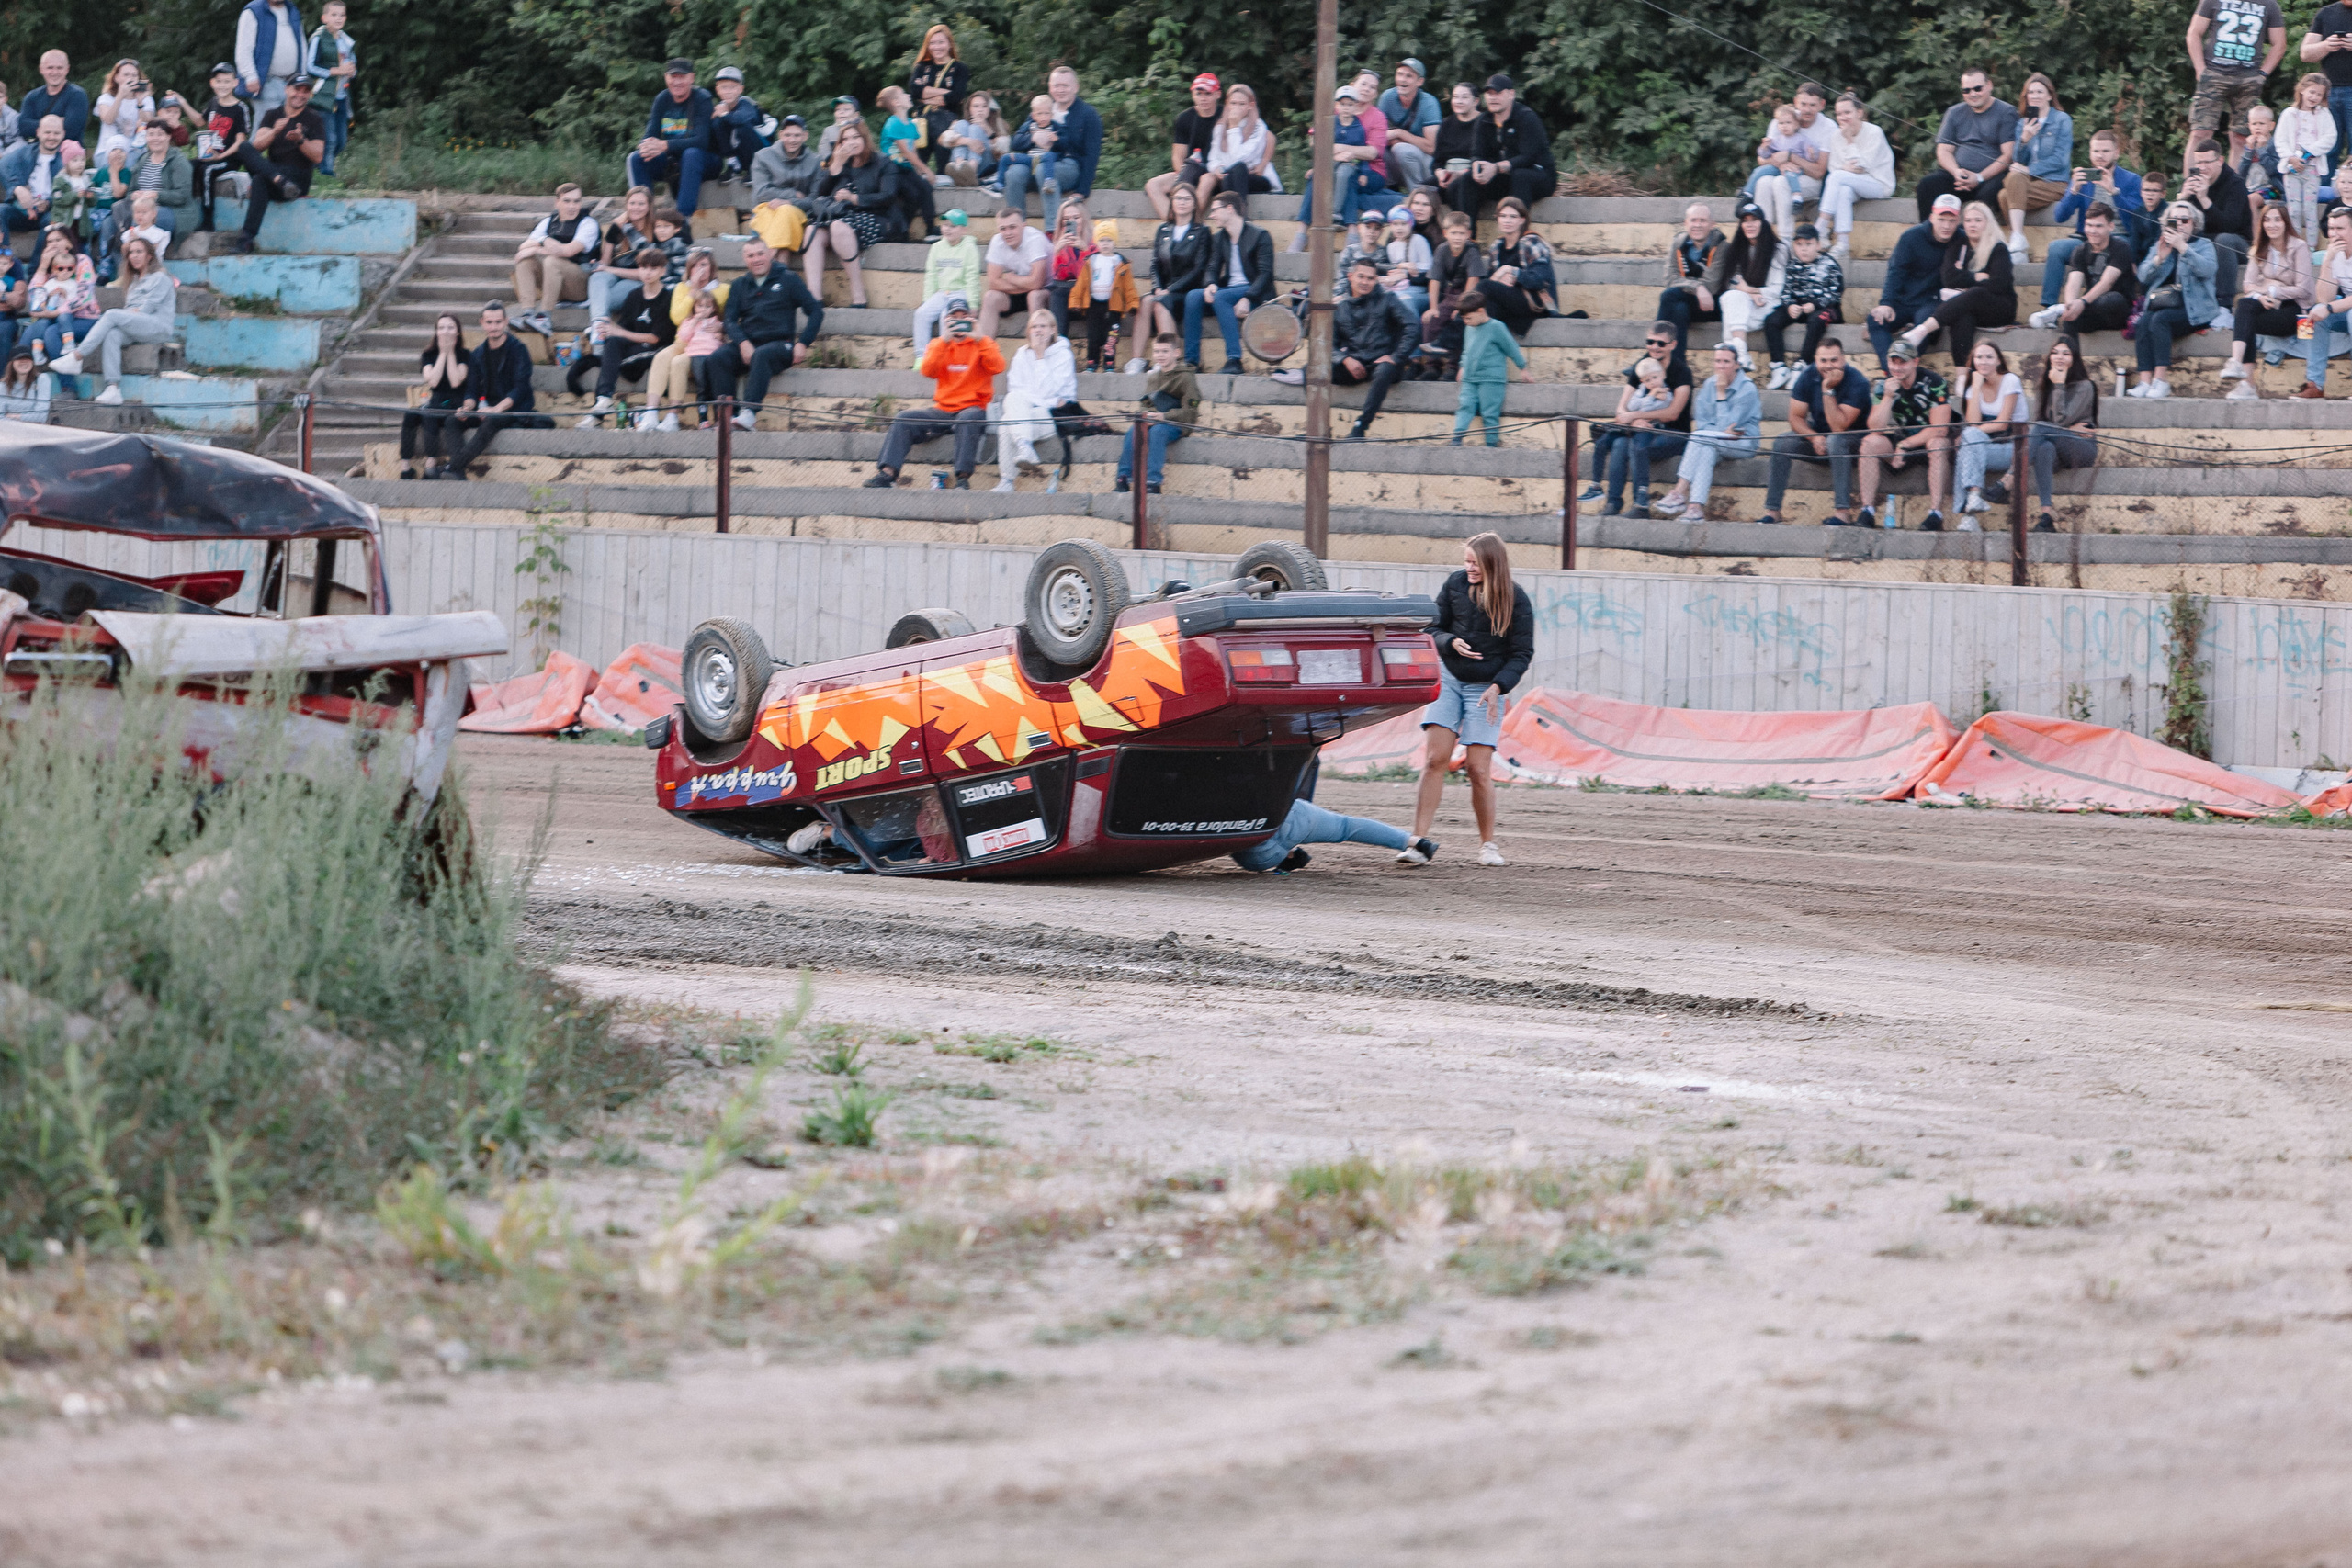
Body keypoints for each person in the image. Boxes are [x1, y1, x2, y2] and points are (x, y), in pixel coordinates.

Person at [1411, 531, 1532, 869]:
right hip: (1449, 678)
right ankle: (1417, 842)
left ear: (1493, 564)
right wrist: (1449, 642)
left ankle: (1487, 844)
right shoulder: (1454, 584)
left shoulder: (1516, 599)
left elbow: (1522, 653)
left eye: (1475, 564)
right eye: (1466, 562)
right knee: (1435, 759)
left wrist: (1498, 688)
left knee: (1478, 769)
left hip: (1486, 688)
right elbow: (1431, 628)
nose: (1469, 569)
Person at [865, 293, 1002, 489]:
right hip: (943, 409)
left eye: (965, 318)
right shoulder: (939, 344)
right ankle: (888, 474)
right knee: (904, 418)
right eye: (955, 318)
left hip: (973, 408)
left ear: (972, 320)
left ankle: (962, 479)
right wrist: (944, 340)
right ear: (947, 321)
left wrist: (981, 339)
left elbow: (998, 367)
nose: (960, 322)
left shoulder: (982, 343)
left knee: (968, 418)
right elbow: (927, 370)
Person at [707, 237, 821, 427]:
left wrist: (803, 343)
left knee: (762, 354)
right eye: (751, 255)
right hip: (749, 345)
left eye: (760, 253)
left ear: (770, 254)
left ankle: (749, 413)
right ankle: (727, 418)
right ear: (745, 259)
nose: (756, 259)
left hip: (780, 345)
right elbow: (729, 321)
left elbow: (816, 311)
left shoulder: (789, 279)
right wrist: (743, 343)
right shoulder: (739, 285)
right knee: (717, 358)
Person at [48, 233, 169, 405]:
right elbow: (131, 309)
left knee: (111, 314)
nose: (134, 255)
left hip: (158, 326)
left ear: (149, 255)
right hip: (140, 325)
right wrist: (130, 312)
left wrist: (131, 312)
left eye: (139, 251)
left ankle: (76, 356)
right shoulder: (134, 281)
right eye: (131, 252)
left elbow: (148, 308)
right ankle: (112, 388)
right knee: (112, 334)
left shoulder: (160, 277)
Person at [1761, 337, 1869, 526]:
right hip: (1821, 435)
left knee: (1836, 440)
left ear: (1843, 359)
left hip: (1855, 440)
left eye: (1834, 360)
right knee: (1782, 442)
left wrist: (1827, 389)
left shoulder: (1857, 381)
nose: (1828, 366)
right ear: (1815, 360)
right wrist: (1814, 437)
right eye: (1823, 360)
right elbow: (1795, 417)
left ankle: (1842, 512)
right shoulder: (1808, 375)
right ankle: (1773, 510)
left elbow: (1839, 427)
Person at [1895, 199, 2014, 370]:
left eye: (1978, 220)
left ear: (1987, 223)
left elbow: (1999, 284)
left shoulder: (1998, 249)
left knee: (1976, 294)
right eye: (1968, 220)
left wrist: (1966, 278)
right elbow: (1949, 279)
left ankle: (1923, 330)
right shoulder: (1959, 245)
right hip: (1969, 306)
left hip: (2000, 308)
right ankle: (1962, 374)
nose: (1972, 225)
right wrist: (1976, 277)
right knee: (1962, 315)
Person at [1307, 255, 1418, 438]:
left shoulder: (1388, 299)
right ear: (1350, 276)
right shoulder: (1340, 307)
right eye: (1361, 277)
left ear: (1376, 280)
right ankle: (1318, 427)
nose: (1365, 282)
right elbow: (1325, 344)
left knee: (1385, 369)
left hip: (1384, 365)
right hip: (1355, 365)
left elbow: (1412, 326)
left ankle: (1360, 427)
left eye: (1370, 278)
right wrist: (1344, 359)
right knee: (1310, 370)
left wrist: (1396, 356)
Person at [437, 301, 550, 478]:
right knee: (452, 421)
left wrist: (496, 409)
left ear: (506, 322)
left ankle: (452, 467)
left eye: (498, 322)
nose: (494, 327)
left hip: (513, 410)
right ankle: (457, 471)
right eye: (489, 323)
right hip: (487, 409)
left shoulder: (518, 350)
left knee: (492, 420)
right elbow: (471, 391)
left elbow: (520, 388)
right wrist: (467, 408)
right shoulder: (478, 354)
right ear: (482, 323)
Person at [1652, 343, 1759, 523]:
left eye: (1726, 361)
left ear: (1737, 365)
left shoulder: (1747, 388)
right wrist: (1716, 431)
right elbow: (1702, 423)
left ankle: (1679, 492)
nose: (1721, 366)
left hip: (1743, 444)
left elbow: (1729, 426)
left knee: (1701, 438)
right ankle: (1695, 509)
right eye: (1718, 361)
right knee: (1706, 449)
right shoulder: (1709, 383)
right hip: (1713, 442)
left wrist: (1721, 394)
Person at [2038, 130, 2147, 304]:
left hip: (2120, 239)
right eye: (2096, 151)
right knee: (2056, 248)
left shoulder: (2131, 179)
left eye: (2105, 151)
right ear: (2090, 153)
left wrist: (2114, 192)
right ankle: (2049, 307)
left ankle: (2094, 304)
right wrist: (2073, 192)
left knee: (2121, 247)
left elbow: (2138, 218)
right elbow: (2059, 217)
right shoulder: (2084, 179)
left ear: (2116, 152)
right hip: (2088, 238)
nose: (2100, 156)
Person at [1856, 338, 1952, 532]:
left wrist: (1904, 445)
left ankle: (1935, 514)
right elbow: (1876, 428)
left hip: (1927, 439)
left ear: (1915, 362)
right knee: (1869, 443)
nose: (1897, 367)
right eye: (1893, 362)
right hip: (1904, 437)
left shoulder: (1934, 382)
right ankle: (1867, 510)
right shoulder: (1884, 386)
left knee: (1938, 443)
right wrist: (1888, 398)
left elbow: (1940, 428)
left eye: (1903, 362)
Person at [2220, 200, 2313, 395]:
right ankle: (2237, 365)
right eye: (2267, 220)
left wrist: (2273, 290)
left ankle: (2248, 384)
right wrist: (2260, 295)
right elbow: (2247, 285)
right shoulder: (2259, 249)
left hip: (2300, 314)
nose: (2272, 225)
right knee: (2245, 305)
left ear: (2286, 223)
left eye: (2277, 220)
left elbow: (2304, 289)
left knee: (2246, 318)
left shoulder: (2299, 247)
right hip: (2269, 305)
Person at [572, 248, 673, 427]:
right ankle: (603, 400)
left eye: (653, 268)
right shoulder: (634, 295)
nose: (647, 273)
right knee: (612, 340)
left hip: (655, 352)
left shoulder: (667, 298)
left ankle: (599, 409)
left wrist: (620, 332)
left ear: (662, 271)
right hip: (633, 349)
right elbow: (623, 329)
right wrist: (607, 327)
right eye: (643, 268)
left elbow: (655, 339)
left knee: (610, 355)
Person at [1600, 324, 1691, 516]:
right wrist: (1632, 421)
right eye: (1650, 342)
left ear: (1673, 344)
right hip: (1644, 432)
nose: (1654, 347)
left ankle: (1641, 505)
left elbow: (1673, 413)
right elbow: (1621, 409)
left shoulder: (1682, 371)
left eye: (1661, 343)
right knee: (1619, 444)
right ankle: (1613, 503)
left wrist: (1634, 416)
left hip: (1674, 434)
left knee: (1636, 446)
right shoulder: (1642, 367)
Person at [804, 120, 898, 309]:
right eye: (845, 139)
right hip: (840, 217)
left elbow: (888, 196)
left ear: (865, 139)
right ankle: (814, 297)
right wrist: (836, 166)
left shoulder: (882, 162)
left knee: (838, 227)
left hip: (877, 217)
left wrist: (855, 198)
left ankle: (858, 293)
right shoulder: (839, 162)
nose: (851, 142)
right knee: (812, 231)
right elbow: (820, 193)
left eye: (856, 137)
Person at [2129, 202, 2218, 399]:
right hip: (2165, 304)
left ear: (2194, 224)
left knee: (2159, 320)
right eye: (2174, 220)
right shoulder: (2160, 244)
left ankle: (2160, 381)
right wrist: (2158, 259)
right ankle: (2145, 381)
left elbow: (2208, 270)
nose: (2179, 224)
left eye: (2184, 220)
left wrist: (2183, 248)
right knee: (2144, 322)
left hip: (2196, 309)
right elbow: (2142, 276)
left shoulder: (2204, 245)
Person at [1232, 790, 1437, 874]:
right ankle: (1416, 842)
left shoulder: (1265, 859)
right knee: (1347, 826)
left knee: (1250, 859)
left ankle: (1291, 855)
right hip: (1293, 813)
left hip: (1257, 850)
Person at [229, 74, 324, 254]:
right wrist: (275, 131)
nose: (301, 95)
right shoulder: (272, 114)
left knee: (259, 180)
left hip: (297, 179)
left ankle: (246, 239)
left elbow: (318, 157)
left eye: (306, 91)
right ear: (287, 89)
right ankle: (279, 180)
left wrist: (301, 140)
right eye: (297, 89)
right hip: (275, 177)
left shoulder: (314, 118)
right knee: (244, 147)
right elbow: (256, 147)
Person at [2188, 0, 2287, 170]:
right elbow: (2194, 33)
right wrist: (2200, 69)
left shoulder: (2269, 4)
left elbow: (2279, 44)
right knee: (2200, 133)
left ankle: (2233, 188)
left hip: (2248, 78)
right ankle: (2192, 186)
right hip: (2214, 73)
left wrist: (2262, 74)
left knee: (2241, 137)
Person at [1868, 196, 1961, 370]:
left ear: (1958, 221)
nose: (1946, 226)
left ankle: (1904, 369)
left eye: (1952, 220)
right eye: (1941, 219)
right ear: (1932, 217)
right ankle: (1892, 370)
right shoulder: (1911, 237)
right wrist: (1886, 303)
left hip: (1932, 302)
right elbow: (1896, 271)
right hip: (1904, 301)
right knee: (1875, 319)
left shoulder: (1962, 239)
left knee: (1925, 323)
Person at [1184, 190, 1272, 372]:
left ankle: (1234, 360)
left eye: (1215, 210)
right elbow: (1212, 267)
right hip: (1229, 290)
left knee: (1221, 298)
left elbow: (1265, 274)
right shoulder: (1219, 238)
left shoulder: (1260, 235)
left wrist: (1247, 298)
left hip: (1254, 290)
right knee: (1193, 296)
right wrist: (1211, 284)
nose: (1211, 215)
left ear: (1230, 209)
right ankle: (1191, 361)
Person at [1290, 85, 1388, 242]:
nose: (1346, 108)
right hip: (1329, 164)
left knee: (1346, 175)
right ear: (1337, 105)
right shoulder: (1332, 120)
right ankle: (1302, 230)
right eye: (1363, 84)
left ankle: (1348, 226)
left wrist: (1359, 167)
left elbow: (1371, 153)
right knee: (1317, 178)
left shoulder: (1363, 125)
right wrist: (1319, 165)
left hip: (1354, 166)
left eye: (1350, 105)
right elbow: (1316, 141)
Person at [1915, 69, 2017, 220]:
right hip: (1959, 178)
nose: (1973, 94)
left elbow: (2008, 155)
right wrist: (1956, 172)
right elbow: (1943, 151)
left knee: (1986, 197)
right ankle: (1928, 236)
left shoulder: (2006, 112)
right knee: (1927, 185)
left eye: (1978, 88)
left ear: (1989, 85)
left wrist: (1979, 177)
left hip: (1991, 177)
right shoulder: (1954, 112)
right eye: (1966, 90)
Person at [1003, 65, 1102, 214]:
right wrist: (1033, 138)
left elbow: (1092, 154)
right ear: (1050, 88)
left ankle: (1053, 230)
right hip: (1034, 162)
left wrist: (1082, 190)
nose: (1060, 90)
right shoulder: (1041, 110)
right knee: (1013, 173)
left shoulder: (1088, 115)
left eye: (1065, 86)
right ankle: (1016, 226)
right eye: (1057, 85)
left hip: (1069, 167)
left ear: (1075, 87)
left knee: (1044, 169)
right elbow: (1016, 142)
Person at [994, 307, 1075, 489]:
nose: (1038, 330)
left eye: (1043, 326)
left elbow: (1051, 391)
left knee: (1009, 419)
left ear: (1053, 329)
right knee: (1011, 405)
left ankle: (1007, 480)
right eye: (1034, 327)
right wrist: (1044, 400)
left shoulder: (1064, 355)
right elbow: (1015, 388)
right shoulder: (1021, 354)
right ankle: (1024, 448)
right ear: (1028, 331)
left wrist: (1040, 357)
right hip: (1028, 413)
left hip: (1056, 415)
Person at [2028, 201, 2138, 333]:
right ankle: (2064, 315)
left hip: (2118, 311)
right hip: (2092, 310)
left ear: (2111, 226)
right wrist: (2070, 305)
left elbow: (2107, 283)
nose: (2092, 231)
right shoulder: (2080, 250)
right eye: (2089, 225)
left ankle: (2058, 310)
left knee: (2111, 299)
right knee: (2071, 319)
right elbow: (2073, 281)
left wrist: (2082, 303)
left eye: (2098, 226)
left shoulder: (2121, 248)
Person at [1453, 74, 1552, 219]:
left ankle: (1521, 234)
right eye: (1489, 94)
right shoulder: (1483, 120)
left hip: (1538, 177)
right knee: (1467, 180)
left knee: (1520, 176)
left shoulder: (1526, 117)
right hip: (1504, 179)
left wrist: (1496, 167)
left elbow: (1529, 157)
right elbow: (1477, 153)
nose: (1493, 98)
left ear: (1511, 94)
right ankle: (1468, 236)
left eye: (1498, 93)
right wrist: (1476, 166)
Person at [1998, 73, 2072, 264]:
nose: (2035, 96)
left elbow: (2060, 160)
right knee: (2011, 182)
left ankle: (2018, 244)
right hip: (2028, 182)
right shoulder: (2023, 123)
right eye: (2031, 92)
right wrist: (2024, 139)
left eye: (2040, 91)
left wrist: (2030, 170)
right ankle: (2019, 241)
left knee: (2005, 196)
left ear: (2049, 95)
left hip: (2055, 182)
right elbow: (2017, 159)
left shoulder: (2062, 120)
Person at [1703, 201, 1784, 373]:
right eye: (1745, 221)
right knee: (1729, 297)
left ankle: (1733, 351)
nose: (1749, 225)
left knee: (1732, 305)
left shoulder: (1778, 249)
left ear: (1763, 222)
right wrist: (1748, 292)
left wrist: (1750, 291)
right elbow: (1730, 281)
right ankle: (1740, 353)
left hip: (1769, 305)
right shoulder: (1738, 248)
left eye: (1754, 220)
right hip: (1745, 307)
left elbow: (1777, 290)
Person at [2029, 334, 2098, 532]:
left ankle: (2010, 478)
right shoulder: (2044, 385)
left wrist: (2059, 385)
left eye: (2066, 354)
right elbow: (2041, 423)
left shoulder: (2085, 386)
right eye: (2055, 353)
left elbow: (2060, 421)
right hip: (2056, 447)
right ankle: (2047, 513)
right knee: (2043, 447)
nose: (2059, 357)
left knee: (2043, 428)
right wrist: (2068, 429)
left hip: (2081, 447)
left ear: (2074, 359)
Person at [1114, 332, 1200, 493]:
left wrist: (1164, 417)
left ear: (1176, 353)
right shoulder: (1153, 377)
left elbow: (1191, 410)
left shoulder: (1186, 378)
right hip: (1156, 419)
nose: (1160, 356)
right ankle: (1123, 476)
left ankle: (1153, 480)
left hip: (1177, 423)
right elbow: (1146, 403)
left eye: (1165, 351)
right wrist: (1145, 415)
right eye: (1157, 351)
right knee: (1133, 431)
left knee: (1158, 432)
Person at [510, 183, 598, 338]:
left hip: (580, 285)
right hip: (554, 283)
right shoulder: (548, 222)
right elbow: (523, 247)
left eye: (576, 201)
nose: (572, 206)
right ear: (557, 202)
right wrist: (542, 241)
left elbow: (566, 251)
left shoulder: (588, 223)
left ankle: (544, 318)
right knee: (525, 261)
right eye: (567, 201)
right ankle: (528, 314)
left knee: (552, 261)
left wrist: (538, 247)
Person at [629, 61, 716, 218]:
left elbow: (702, 141)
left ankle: (682, 219)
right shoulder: (662, 99)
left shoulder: (702, 99)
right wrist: (646, 146)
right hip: (673, 162)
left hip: (705, 160)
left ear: (691, 78)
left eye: (681, 77)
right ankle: (644, 216)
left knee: (691, 153)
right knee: (636, 157)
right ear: (666, 78)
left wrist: (665, 144)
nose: (677, 82)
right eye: (672, 77)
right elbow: (651, 133)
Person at [1745, 85, 1833, 235]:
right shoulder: (1783, 120)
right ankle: (1764, 237)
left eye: (1812, 105)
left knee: (1781, 183)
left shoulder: (1829, 128)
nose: (1807, 110)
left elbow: (1819, 172)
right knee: (1763, 182)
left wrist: (1790, 157)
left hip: (1812, 181)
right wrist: (1781, 162)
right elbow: (1762, 160)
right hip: (1781, 172)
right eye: (1803, 104)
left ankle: (1785, 239)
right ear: (1796, 101)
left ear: (1822, 105)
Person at [1818, 93, 1895, 264]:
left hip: (1878, 184)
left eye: (1847, 113)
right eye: (1839, 114)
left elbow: (1862, 165)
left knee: (1839, 177)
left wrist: (1850, 141)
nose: (1842, 118)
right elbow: (1834, 168)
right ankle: (1843, 242)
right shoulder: (1835, 136)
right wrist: (1846, 169)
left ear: (1859, 113)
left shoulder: (1874, 132)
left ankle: (1821, 227)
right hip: (1851, 182)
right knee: (1843, 189)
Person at [1951, 342, 2023, 521]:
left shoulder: (2010, 380)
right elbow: (1973, 422)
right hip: (1986, 447)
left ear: (1999, 361)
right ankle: (1973, 501)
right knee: (1967, 447)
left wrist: (1972, 434)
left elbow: (2002, 424)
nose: (1983, 361)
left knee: (1968, 442)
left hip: (2013, 448)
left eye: (1989, 357)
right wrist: (1976, 386)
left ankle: (1966, 515)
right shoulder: (1972, 387)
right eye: (1979, 357)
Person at [1764, 223, 1841, 389]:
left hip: (1824, 308)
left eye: (1808, 244)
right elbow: (1786, 291)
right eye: (1799, 245)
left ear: (1818, 245)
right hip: (1798, 307)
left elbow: (1835, 292)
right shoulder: (1792, 266)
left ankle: (1803, 364)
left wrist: (1815, 304)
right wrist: (1790, 305)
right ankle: (1778, 366)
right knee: (1771, 320)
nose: (1803, 249)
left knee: (1816, 321)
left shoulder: (1830, 264)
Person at [1448, 288, 1526, 448]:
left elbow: (1511, 348)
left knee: (1489, 412)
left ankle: (1491, 442)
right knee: (1465, 406)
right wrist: (1462, 367)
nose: (1466, 322)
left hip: (1491, 379)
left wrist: (1522, 368)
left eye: (1468, 318)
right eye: (1464, 319)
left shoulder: (1497, 327)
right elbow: (1467, 350)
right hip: (1470, 378)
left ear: (1480, 311)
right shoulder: (1469, 328)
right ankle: (1457, 437)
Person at [2184, 138, 2254, 307]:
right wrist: (2183, 198)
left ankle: (2224, 303)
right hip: (2206, 239)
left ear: (2220, 161)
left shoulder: (2235, 185)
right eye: (2199, 162)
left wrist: (2204, 199)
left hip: (2238, 244)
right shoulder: (2194, 181)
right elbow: (2182, 225)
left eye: (2207, 162)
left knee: (2223, 240)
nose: (2202, 168)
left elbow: (2229, 226)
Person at [1419, 207, 1488, 373]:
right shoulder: (1442, 250)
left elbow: (1473, 280)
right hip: (1450, 295)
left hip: (1469, 297)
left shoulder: (1472, 252)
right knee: (1432, 321)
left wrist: (1461, 309)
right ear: (1445, 233)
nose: (1457, 238)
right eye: (1454, 233)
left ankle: (1453, 366)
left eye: (1461, 233)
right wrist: (1433, 307)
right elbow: (1434, 279)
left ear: (1468, 234)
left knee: (1461, 322)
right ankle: (1432, 365)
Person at [644, 284, 723, 429]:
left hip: (713, 356)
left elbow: (722, 337)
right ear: (694, 308)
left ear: (713, 308)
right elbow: (684, 336)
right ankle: (702, 419)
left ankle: (718, 419)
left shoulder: (716, 322)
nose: (703, 310)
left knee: (716, 386)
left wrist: (720, 333)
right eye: (700, 306)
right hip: (697, 355)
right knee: (703, 387)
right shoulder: (689, 322)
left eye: (707, 307)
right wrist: (694, 321)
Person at [1146, 73, 1223, 218]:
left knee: (1206, 180)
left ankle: (1190, 226)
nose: (1203, 98)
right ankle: (1172, 224)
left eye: (1208, 93)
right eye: (1199, 93)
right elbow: (1177, 156)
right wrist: (1184, 179)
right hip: (1191, 169)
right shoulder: (1185, 118)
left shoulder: (1226, 115)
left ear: (1217, 94)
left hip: (1216, 172)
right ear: (1193, 94)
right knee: (1152, 185)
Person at [400, 312, 467, 478]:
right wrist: (442, 353)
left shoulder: (465, 355)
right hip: (436, 401)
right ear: (436, 332)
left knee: (430, 412)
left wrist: (450, 352)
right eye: (441, 328)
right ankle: (405, 466)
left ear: (458, 332)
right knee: (411, 414)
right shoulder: (428, 355)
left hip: (454, 403)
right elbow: (433, 382)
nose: (445, 332)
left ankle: (431, 462)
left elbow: (456, 381)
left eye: (450, 328)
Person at [909, 207, 982, 355]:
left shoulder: (970, 249)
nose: (947, 229)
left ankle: (946, 354)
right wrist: (927, 300)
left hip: (961, 293)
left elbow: (972, 277)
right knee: (921, 314)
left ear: (964, 230)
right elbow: (931, 276)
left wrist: (973, 303)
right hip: (942, 293)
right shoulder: (936, 247)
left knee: (946, 316)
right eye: (945, 225)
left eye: (953, 226)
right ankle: (921, 355)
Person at [1068, 217, 1137, 370]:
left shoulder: (1121, 263)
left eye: (1109, 240)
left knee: (1111, 337)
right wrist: (1075, 302)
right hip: (1093, 305)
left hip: (1114, 306)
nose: (1105, 244)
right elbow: (1081, 285)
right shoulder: (1091, 261)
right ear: (1096, 242)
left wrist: (1133, 303)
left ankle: (1109, 364)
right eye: (1102, 240)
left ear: (1115, 242)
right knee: (1093, 336)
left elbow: (1129, 287)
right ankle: (1091, 364)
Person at [1480, 196, 1555, 338]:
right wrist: (1498, 281)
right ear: (1497, 218)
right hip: (1509, 304)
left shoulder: (1532, 242)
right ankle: (1470, 358)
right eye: (1503, 216)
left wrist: (1511, 271)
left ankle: (1450, 339)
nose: (1507, 220)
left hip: (1534, 302)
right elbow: (1493, 282)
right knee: (1487, 313)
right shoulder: (1496, 246)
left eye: (1513, 216)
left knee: (1484, 288)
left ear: (1522, 220)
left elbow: (1539, 280)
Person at [1146, 180, 1210, 339]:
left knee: (1160, 302)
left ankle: (1172, 357)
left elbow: (1199, 269)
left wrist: (1169, 290)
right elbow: (1155, 265)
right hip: (1164, 289)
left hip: (1187, 291)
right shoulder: (1163, 229)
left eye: (1187, 199)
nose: (1182, 202)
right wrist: (1157, 288)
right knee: (1145, 302)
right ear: (1172, 202)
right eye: (1178, 198)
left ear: (1194, 204)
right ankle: (1136, 360)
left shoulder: (1202, 231)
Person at [2277, 73, 2335, 246]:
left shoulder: (2323, 114)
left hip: (2312, 169)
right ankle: (2294, 245)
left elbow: (2330, 137)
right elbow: (2280, 140)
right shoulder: (2289, 114)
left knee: (2310, 210)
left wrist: (2310, 153)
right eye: (2312, 92)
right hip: (2292, 169)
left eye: (2319, 95)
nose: (2314, 97)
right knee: (2294, 210)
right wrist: (2291, 158)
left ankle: (2310, 247)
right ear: (2302, 90)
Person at [1656, 202, 1724, 351]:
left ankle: (1653, 351)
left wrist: (1695, 286)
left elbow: (1711, 286)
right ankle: (1678, 364)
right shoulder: (1678, 243)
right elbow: (1669, 278)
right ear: (1686, 223)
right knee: (1679, 310)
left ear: (1712, 224)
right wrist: (1697, 287)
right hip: (1689, 303)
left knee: (1668, 296)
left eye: (1702, 220)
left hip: (1713, 305)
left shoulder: (1722, 246)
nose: (1697, 225)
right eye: (1693, 220)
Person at [979, 202, 1051, 341]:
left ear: (1024, 225)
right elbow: (993, 282)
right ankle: (984, 354)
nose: (1008, 233)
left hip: (1047, 291)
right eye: (1003, 229)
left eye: (1012, 227)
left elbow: (1037, 283)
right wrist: (1025, 284)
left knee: (1034, 296)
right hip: (1022, 291)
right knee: (990, 297)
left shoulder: (1034, 239)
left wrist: (1012, 279)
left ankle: (1038, 350)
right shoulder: (997, 241)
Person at [2301, 207, 2352, 397]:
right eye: (2331, 229)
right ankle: (2314, 384)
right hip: (2344, 308)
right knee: (2314, 315)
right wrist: (2328, 261)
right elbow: (2324, 298)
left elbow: (2330, 305)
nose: (2334, 234)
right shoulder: (2334, 253)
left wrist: (2329, 308)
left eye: (2340, 228)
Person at [193, 64, 251, 231]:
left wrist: (221, 156)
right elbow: (199, 121)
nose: (222, 85)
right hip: (211, 154)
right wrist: (181, 102)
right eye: (219, 81)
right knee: (189, 166)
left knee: (207, 171)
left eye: (227, 81)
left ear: (235, 83)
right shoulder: (213, 102)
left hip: (230, 158)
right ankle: (189, 212)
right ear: (212, 83)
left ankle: (208, 220)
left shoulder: (240, 108)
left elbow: (240, 141)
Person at [905, 24, 968, 179]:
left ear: (949, 44)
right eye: (932, 43)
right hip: (922, 120)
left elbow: (957, 97)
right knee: (915, 166)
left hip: (947, 122)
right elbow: (914, 91)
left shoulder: (960, 68)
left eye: (941, 42)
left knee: (944, 167)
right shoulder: (922, 66)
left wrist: (927, 95)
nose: (936, 47)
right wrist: (945, 93)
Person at [302, 1, 356, 175]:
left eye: (341, 15)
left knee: (341, 140)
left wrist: (351, 71)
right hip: (322, 96)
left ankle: (315, 167)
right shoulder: (318, 37)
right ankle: (326, 174)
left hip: (341, 97)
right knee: (329, 139)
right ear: (324, 18)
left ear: (346, 18)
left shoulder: (346, 40)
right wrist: (334, 71)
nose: (338, 18)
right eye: (334, 15)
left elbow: (351, 64)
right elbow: (310, 67)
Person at [1204, 83, 1278, 207]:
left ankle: (1240, 215)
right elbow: (1212, 158)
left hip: (1255, 178)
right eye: (1233, 103)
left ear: (1250, 106)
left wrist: (1233, 127)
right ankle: (1233, 218)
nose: (1236, 108)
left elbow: (1239, 158)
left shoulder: (1258, 127)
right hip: (1229, 177)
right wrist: (1216, 169)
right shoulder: (1220, 127)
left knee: (1239, 168)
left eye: (1242, 104)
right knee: (1228, 176)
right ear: (1227, 103)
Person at [119, 120, 194, 243]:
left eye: (160, 134)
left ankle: (146, 258)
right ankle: (114, 260)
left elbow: (183, 195)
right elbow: (130, 191)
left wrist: (156, 195)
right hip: (141, 208)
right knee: (110, 221)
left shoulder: (178, 161)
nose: (155, 138)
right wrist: (133, 195)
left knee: (141, 220)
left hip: (173, 210)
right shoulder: (143, 160)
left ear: (169, 136)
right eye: (151, 134)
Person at [2298, 5, 2352, 164]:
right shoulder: (2326, 13)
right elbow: (2305, 53)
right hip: (2328, 93)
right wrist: (2325, 46)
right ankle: (2324, 189)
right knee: (2326, 149)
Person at [1379, 58, 1442, 192]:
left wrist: (1399, 133)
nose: (1402, 79)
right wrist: (1396, 139)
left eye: (1409, 76)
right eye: (1400, 74)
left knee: (1402, 149)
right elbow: (1378, 137)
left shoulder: (1429, 103)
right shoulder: (1387, 97)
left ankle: (1420, 195)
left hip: (1425, 163)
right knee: (1378, 150)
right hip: (1401, 160)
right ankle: (1390, 191)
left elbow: (1431, 148)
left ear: (1420, 81)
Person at [235, 0, 305, 117]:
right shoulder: (253, 11)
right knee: (267, 129)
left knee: (289, 129)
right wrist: (250, 75)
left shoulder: (292, 10)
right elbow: (244, 47)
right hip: (266, 83)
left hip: (292, 82)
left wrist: (303, 76)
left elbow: (302, 45)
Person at [1, 116, 64, 240]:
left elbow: (69, 190)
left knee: (54, 218)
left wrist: (48, 203)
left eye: (56, 133)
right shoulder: (25, 153)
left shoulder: (65, 159)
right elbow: (3, 165)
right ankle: (4, 256)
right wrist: (17, 188)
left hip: (48, 213)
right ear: (38, 132)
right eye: (47, 132)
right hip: (22, 210)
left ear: (63, 134)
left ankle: (40, 260)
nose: (52, 137)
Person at [706, 67, 770, 183]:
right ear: (717, 90)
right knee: (717, 123)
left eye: (733, 87)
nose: (728, 91)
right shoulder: (721, 106)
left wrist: (724, 114)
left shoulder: (746, 103)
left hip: (761, 152)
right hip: (741, 154)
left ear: (740, 89)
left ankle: (755, 169)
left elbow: (741, 119)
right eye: (724, 87)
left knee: (742, 127)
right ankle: (733, 164)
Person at [15, 51, 87, 145]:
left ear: (67, 69)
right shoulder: (32, 97)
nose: (55, 72)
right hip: (36, 152)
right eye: (50, 68)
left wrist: (37, 125)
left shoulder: (77, 95)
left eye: (59, 68)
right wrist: (57, 123)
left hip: (67, 154)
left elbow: (71, 130)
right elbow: (23, 127)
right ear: (41, 69)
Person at [940, 90, 1006, 189]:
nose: (980, 110)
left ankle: (971, 170)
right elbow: (942, 139)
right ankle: (960, 167)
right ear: (969, 109)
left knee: (975, 128)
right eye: (976, 106)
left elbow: (1004, 153)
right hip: (962, 162)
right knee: (962, 124)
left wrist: (988, 131)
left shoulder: (999, 124)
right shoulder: (959, 124)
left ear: (990, 109)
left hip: (985, 167)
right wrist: (967, 141)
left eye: (984, 106)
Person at [1430, 82, 1481, 211]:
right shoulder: (1446, 124)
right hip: (1448, 175)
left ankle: (1461, 228)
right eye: (1455, 97)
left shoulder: (1484, 123)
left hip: (1472, 176)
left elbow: (1489, 159)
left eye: (1464, 97)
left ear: (1476, 101)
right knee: (1422, 191)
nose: (1459, 101)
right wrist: (1441, 174)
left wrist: (1459, 174)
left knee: (1457, 187)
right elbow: (1437, 161)